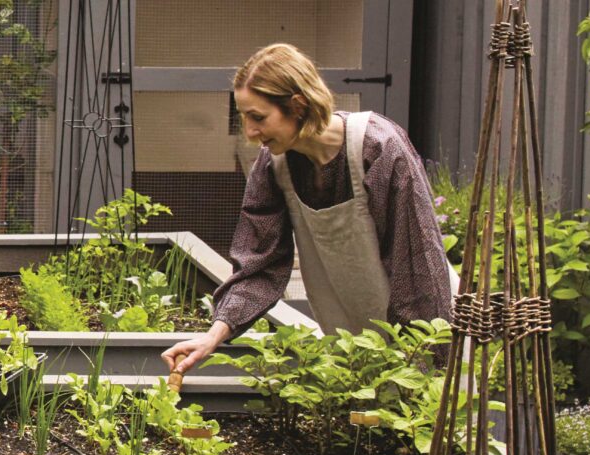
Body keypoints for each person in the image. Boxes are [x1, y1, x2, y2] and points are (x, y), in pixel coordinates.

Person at [162, 43, 454, 376]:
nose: (249, 132)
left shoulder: (379, 147)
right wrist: (213, 336)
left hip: (426, 346)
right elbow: (260, 263)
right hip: (353, 348)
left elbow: (417, 272)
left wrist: (424, 365)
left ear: (298, 105)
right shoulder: (276, 165)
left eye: (258, 117)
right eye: (243, 117)